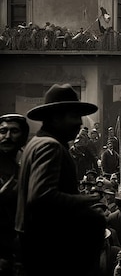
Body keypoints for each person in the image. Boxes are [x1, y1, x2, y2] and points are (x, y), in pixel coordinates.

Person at [15, 83, 105, 276]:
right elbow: (41, 197)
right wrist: (85, 200)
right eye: (74, 117)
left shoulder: (36, 143)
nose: (80, 123)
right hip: (46, 247)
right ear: (56, 118)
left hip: (32, 243)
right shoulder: (50, 147)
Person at [0, 113, 29, 276]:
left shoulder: (28, 165)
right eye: (3, 131)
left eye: (14, 131)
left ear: (23, 136)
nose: (7, 136)